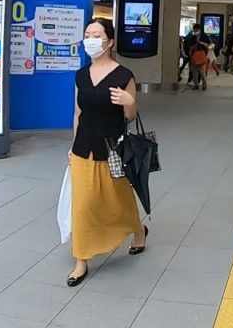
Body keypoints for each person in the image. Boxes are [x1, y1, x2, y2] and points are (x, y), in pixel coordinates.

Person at [65, 18, 146, 287]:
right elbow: (78, 113)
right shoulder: (81, 75)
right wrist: (73, 144)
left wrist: (129, 102)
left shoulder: (124, 76)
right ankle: (81, 259)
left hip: (112, 148)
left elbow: (131, 116)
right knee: (83, 203)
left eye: (96, 34)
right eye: (87, 34)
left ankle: (138, 232)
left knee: (120, 197)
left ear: (109, 42)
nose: (90, 38)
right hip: (83, 147)